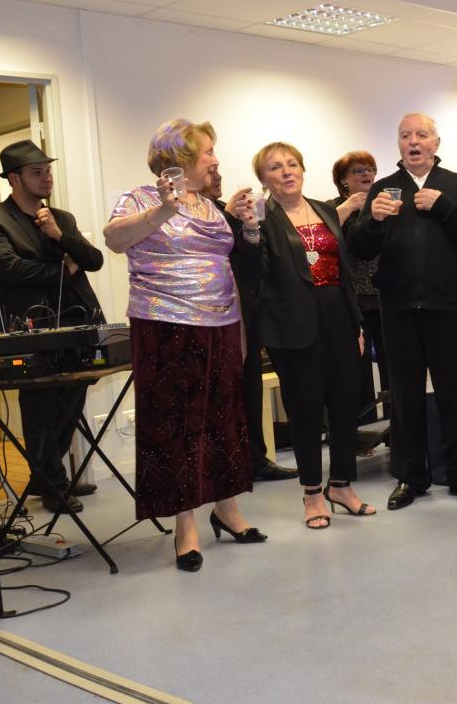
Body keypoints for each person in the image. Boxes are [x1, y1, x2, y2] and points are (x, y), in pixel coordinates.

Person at [104, 119, 265, 572]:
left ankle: (227, 509)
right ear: (180, 157)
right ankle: (185, 525)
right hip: (165, 323)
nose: (215, 159)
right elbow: (113, 239)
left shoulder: (211, 206)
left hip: (222, 323)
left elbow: (229, 267)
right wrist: (162, 210)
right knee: (176, 424)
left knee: (225, 418)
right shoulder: (140, 198)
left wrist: (240, 330)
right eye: (208, 151)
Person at [348, 113, 457, 510]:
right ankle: (411, 477)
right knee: (405, 397)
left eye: (421, 135)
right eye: (405, 135)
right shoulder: (383, 189)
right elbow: (360, 248)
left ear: (435, 143)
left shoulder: (456, 185)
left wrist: (445, 206)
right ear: (398, 144)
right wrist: (373, 220)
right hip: (397, 308)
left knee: (452, 394)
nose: (413, 141)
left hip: (446, 305)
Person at [0, 139, 105, 514]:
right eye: (37, 172)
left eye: (48, 170)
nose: (46, 177)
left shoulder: (61, 218)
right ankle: (52, 483)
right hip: (26, 327)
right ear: (14, 178)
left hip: (76, 323)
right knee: (40, 404)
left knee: (72, 397)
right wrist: (63, 270)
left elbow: (93, 260)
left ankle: (45, 476)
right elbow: (7, 269)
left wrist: (60, 237)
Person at [255, 141, 373, 529]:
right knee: (305, 412)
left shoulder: (324, 209)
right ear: (264, 179)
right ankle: (311, 494)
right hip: (292, 330)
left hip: (339, 320)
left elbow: (344, 272)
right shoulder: (262, 219)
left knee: (344, 408)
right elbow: (256, 272)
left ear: (303, 170)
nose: (286, 171)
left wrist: (356, 324)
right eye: (275, 167)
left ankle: (341, 486)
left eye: (292, 164)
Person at [199, 167, 297, 482]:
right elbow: (207, 253)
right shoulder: (192, 215)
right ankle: (220, 465)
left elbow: (254, 267)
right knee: (217, 395)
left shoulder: (224, 210)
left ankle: (254, 459)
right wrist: (229, 216)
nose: (218, 175)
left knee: (250, 389)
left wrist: (250, 228)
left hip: (244, 315)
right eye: (211, 169)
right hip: (208, 318)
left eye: (218, 170)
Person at [329, 151, 387, 430]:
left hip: (385, 296)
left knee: (392, 368)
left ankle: (396, 430)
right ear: (343, 179)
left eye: (370, 169)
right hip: (352, 300)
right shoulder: (333, 208)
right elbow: (326, 238)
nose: (366, 174)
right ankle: (363, 433)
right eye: (358, 170)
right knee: (358, 370)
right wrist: (350, 206)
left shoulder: (384, 205)